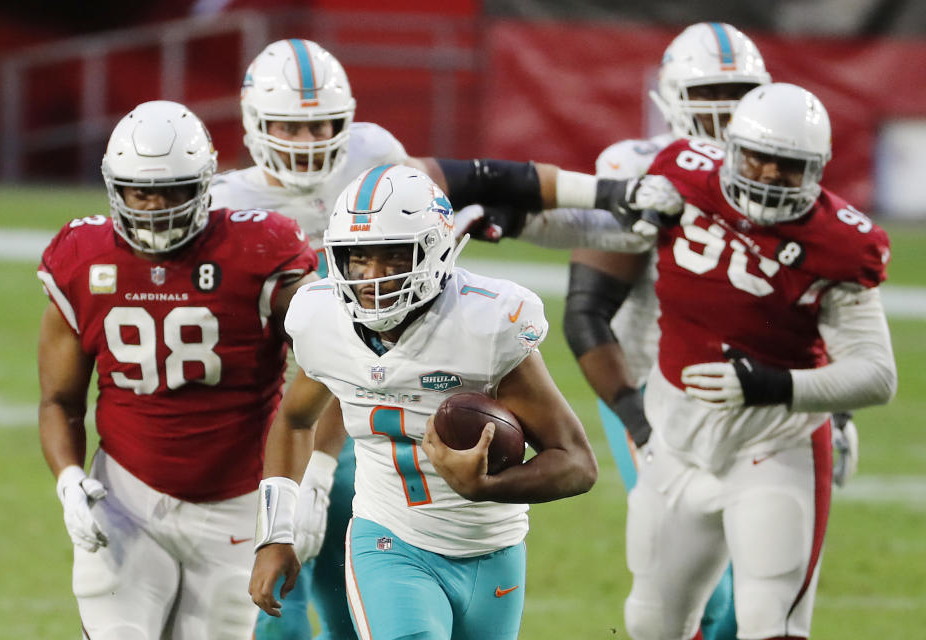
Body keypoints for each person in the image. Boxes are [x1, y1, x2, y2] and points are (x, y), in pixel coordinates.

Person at [210, 38, 671, 640]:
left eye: (321, 125)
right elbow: (316, 377)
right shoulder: (239, 223)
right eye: (288, 128)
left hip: (415, 453)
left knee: (349, 624)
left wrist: (611, 197)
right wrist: (297, 500)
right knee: (279, 622)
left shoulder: (379, 167)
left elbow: (490, 181)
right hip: (291, 416)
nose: (307, 142)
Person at [248, 164, 599, 640]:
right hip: (389, 539)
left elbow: (577, 464)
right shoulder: (320, 317)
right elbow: (293, 421)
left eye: (392, 258)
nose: (371, 277)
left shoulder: (486, 323)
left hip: (493, 547)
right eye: (357, 259)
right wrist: (275, 533)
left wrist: (487, 486)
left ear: (434, 252)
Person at [622, 83, 896, 640]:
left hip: (774, 446)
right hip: (676, 443)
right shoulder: (682, 173)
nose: (769, 174)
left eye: (788, 166)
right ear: (729, 149)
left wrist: (772, 385)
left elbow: (878, 374)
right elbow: (593, 217)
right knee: (650, 623)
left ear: (816, 170)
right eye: (758, 157)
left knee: (770, 620)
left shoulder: (838, 243)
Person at [37, 100, 319, 640]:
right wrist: (70, 480)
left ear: (207, 184)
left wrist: (285, 504)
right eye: (141, 191)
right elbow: (59, 401)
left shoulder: (259, 248)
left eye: (173, 190)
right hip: (126, 497)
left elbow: (324, 361)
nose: (155, 207)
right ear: (114, 187)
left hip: (236, 504)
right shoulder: (82, 254)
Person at [564, 22, 771, 640]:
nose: (725, 110)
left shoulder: (777, 179)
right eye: (710, 91)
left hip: (745, 394)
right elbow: (585, 312)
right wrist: (633, 414)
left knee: (756, 584)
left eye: (738, 93)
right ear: (672, 96)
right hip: (650, 386)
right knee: (700, 585)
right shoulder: (638, 169)